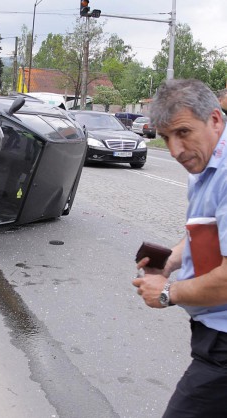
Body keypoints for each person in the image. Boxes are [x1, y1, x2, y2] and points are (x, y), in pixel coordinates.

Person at [132, 78, 227, 417]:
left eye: (183, 132)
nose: (174, 150)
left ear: (215, 119)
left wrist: (167, 292)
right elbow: (203, 233)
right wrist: (170, 261)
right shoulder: (205, 166)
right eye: (165, 137)